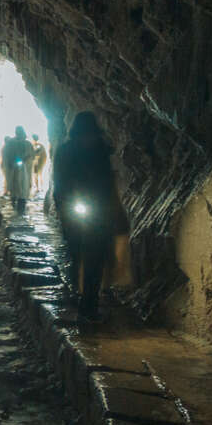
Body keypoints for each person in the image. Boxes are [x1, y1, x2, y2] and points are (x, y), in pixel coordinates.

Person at [51, 111, 126, 320]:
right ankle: (76, 288)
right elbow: (60, 182)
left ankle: (90, 302)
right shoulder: (66, 152)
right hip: (74, 208)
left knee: (96, 256)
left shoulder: (101, 151)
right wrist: (62, 207)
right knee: (76, 252)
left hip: (99, 210)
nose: (88, 138)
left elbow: (108, 181)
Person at [3, 126, 34, 215]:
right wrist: (11, 162)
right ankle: (15, 203)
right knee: (15, 187)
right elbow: (6, 155)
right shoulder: (11, 143)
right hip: (13, 169)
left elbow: (31, 155)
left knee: (23, 187)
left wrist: (25, 160)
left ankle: (21, 207)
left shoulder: (27, 144)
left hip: (24, 171)